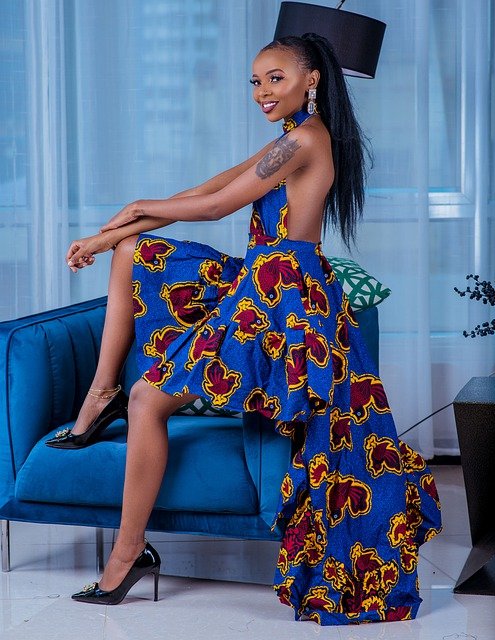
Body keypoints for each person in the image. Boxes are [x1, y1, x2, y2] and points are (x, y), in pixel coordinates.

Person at [46, 33, 442, 626]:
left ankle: (128, 554)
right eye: (256, 81)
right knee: (133, 256)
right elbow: (205, 189)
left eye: (276, 78)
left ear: (311, 79)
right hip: (260, 283)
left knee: (149, 397)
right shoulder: (289, 138)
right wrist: (115, 232)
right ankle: (102, 400)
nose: (262, 92)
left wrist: (137, 207)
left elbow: (216, 208)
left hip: (284, 299)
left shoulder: (305, 140)